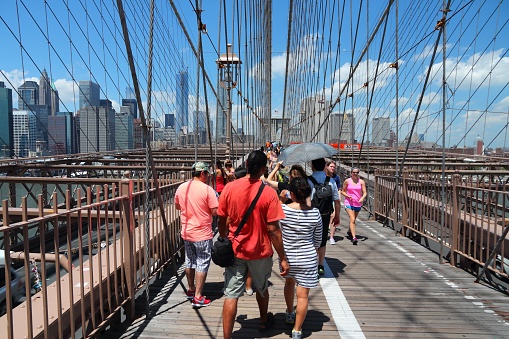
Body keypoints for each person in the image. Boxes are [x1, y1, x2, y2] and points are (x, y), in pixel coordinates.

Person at [217, 150, 290, 338]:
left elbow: (221, 218)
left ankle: (226, 337)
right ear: (264, 169)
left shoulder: (230, 188)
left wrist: (224, 238)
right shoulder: (269, 193)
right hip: (260, 251)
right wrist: (283, 257)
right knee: (261, 287)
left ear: (247, 166)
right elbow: (273, 230)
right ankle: (264, 321)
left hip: (235, 249)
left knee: (231, 294)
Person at [279, 177, 322, 339]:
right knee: (303, 295)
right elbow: (318, 240)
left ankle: (290, 312)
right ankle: (297, 330)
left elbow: (277, 232)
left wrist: (281, 200)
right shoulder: (314, 213)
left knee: (289, 283)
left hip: (287, 257)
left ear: (292, 194)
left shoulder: (282, 210)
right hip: (308, 257)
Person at [174, 161, 218, 307]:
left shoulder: (182, 188)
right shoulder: (207, 190)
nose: (208, 177)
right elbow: (215, 211)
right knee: (202, 262)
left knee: (190, 261)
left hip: (187, 231)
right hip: (202, 233)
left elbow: (177, 206)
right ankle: (198, 296)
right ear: (203, 173)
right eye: (207, 174)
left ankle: (191, 289)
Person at [307, 158, 340, 276]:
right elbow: (337, 201)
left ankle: (311, 264)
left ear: (312, 166)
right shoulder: (330, 181)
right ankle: (320, 265)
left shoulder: (308, 180)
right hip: (325, 215)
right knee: (322, 241)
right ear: (324, 167)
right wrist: (337, 216)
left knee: (310, 240)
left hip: (310, 214)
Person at [341, 167, 367, 245]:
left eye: (357, 172)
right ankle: (354, 237)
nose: (355, 174)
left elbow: (365, 192)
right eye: (354, 172)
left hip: (357, 203)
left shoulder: (361, 182)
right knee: (352, 219)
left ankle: (349, 230)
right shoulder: (347, 181)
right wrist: (348, 196)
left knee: (353, 219)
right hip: (348, 202)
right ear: (351, 173)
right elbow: (343, 191)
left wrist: (362, 198)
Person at [325, 160, 341, 244]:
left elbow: (338, 189)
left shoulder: (336, 177)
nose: (332, 168)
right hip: (324, 200)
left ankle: (331, 237)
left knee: (333, 216)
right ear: (327, 167)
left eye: (334, 167)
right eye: (331, 166)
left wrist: (339, 197)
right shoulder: (323, 176)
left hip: (333, 200)